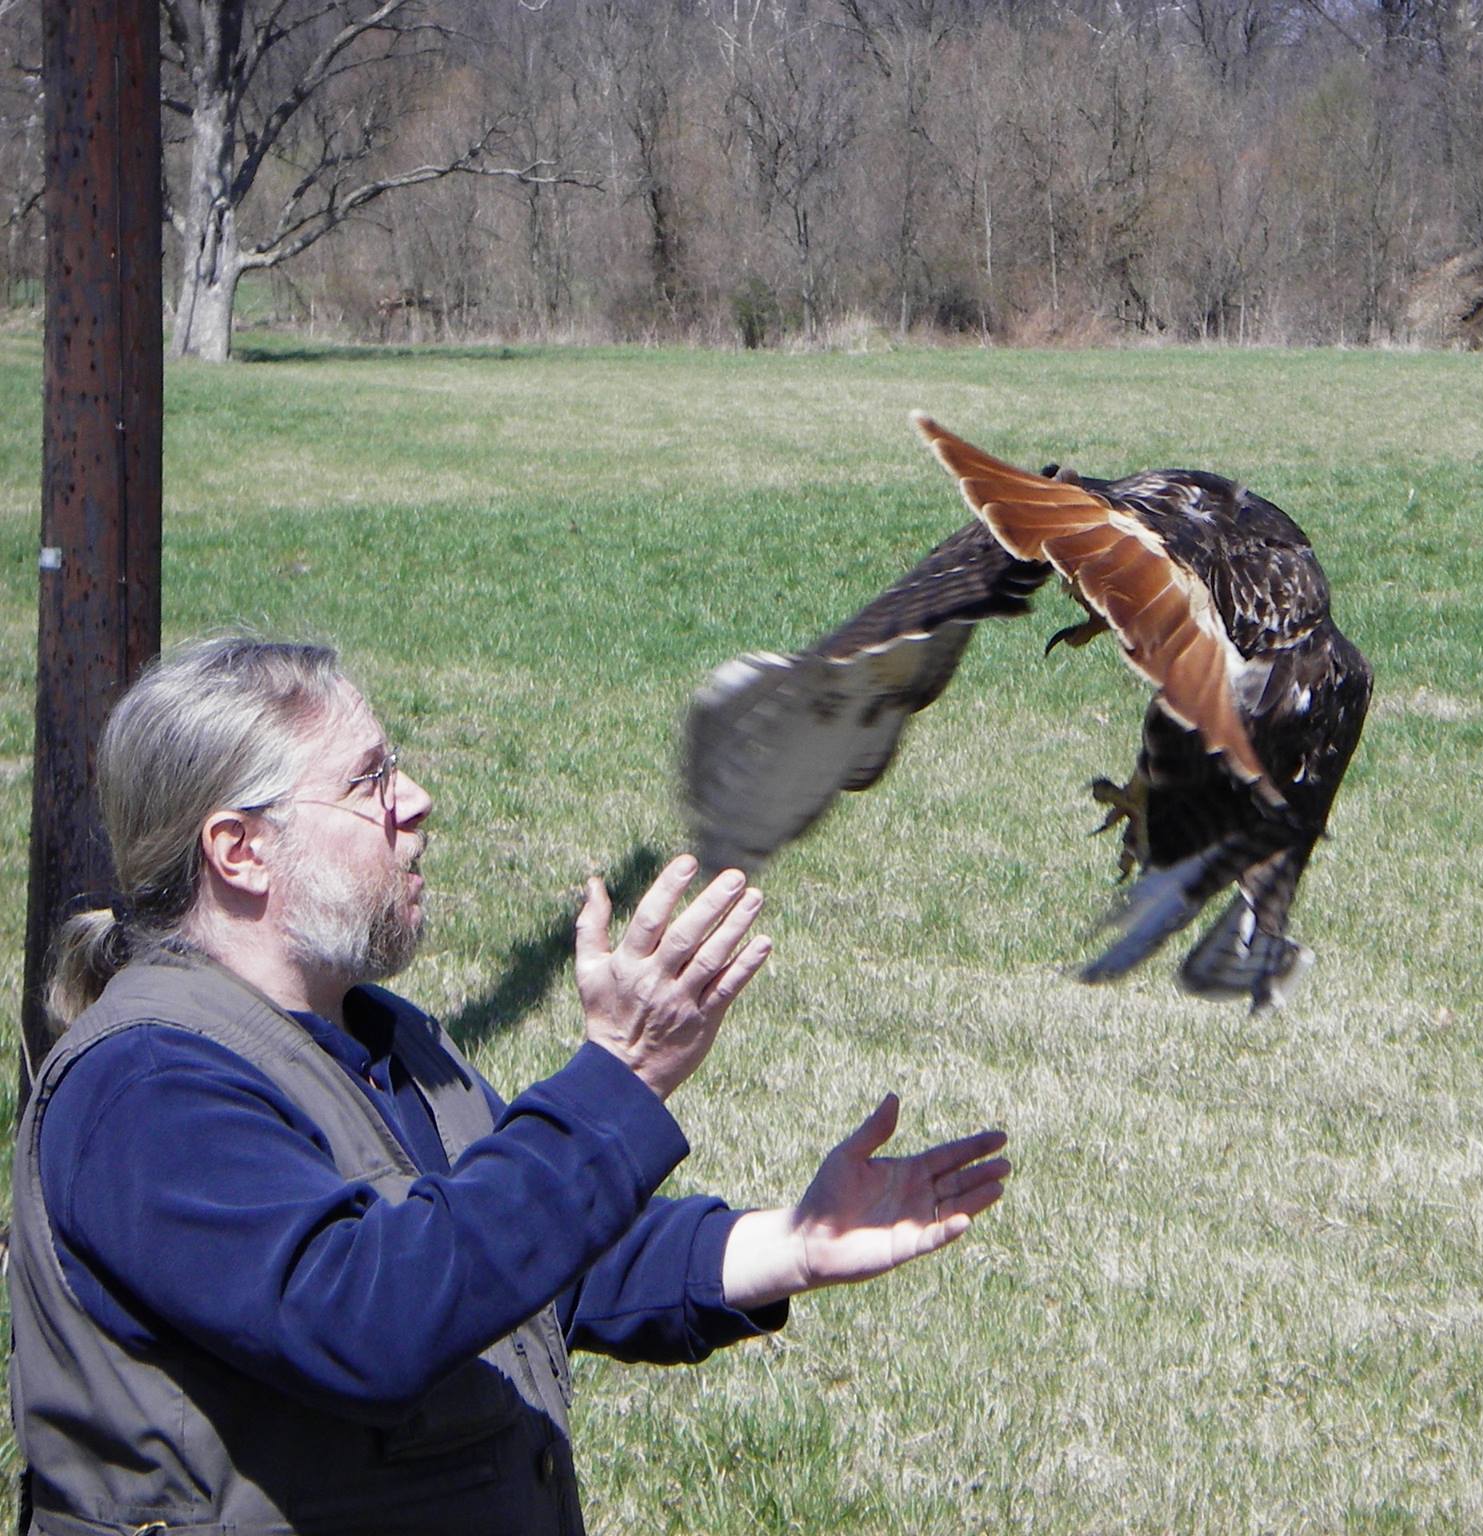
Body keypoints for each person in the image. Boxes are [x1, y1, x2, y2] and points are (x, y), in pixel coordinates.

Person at [10, 634, 1010, 1536]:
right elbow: (367, 1313)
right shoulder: (143, 1086)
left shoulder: (380, 1041)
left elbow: (522, 1262)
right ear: (238, 850)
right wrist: (619, 1081)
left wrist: (787, 1243)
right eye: (369, 783)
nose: (414, 803)